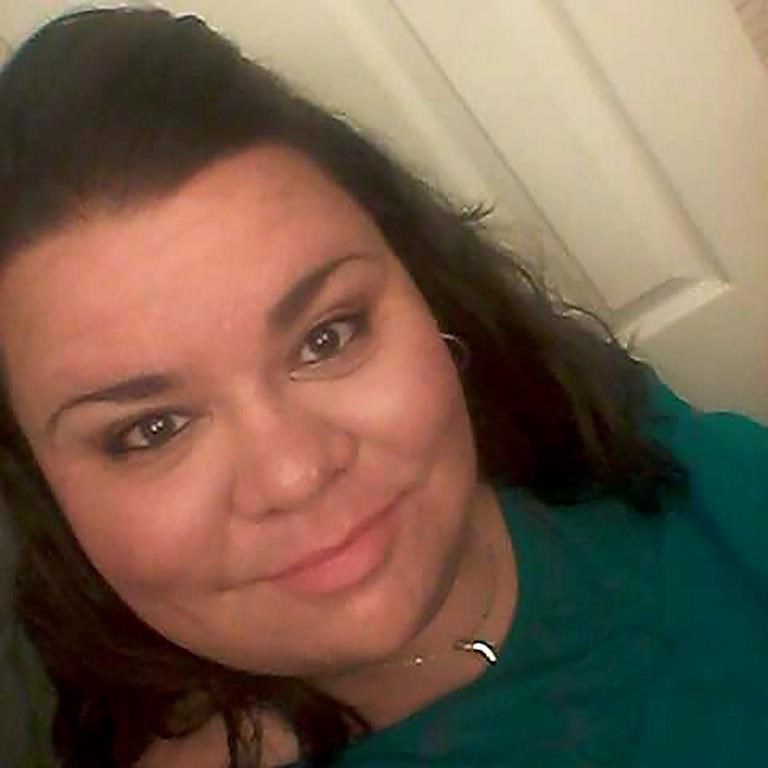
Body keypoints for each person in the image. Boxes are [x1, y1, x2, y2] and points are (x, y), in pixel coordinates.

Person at [0, 7, 766, 768]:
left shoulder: (626, 442)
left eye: (326, 336)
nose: (295, 472)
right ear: (42, 494)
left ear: (424, 290)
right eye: (152, 429)